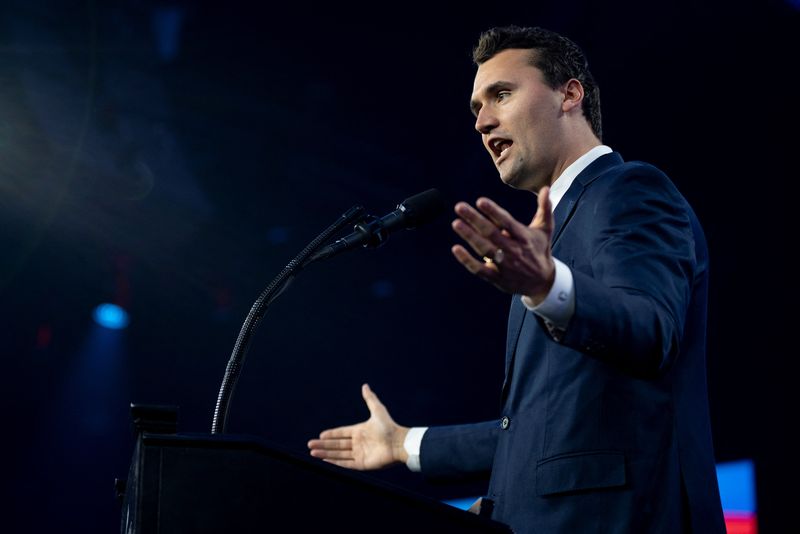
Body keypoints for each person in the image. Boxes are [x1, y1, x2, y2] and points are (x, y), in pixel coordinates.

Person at [308, 25, 725, 533]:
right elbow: (536, 431)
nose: (483, 123)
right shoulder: (550, 238)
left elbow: (651, 329)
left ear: (569, 94)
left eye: (501, 94)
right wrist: (403, 444)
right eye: (476, 109)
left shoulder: (628, 190)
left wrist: (548, 287)